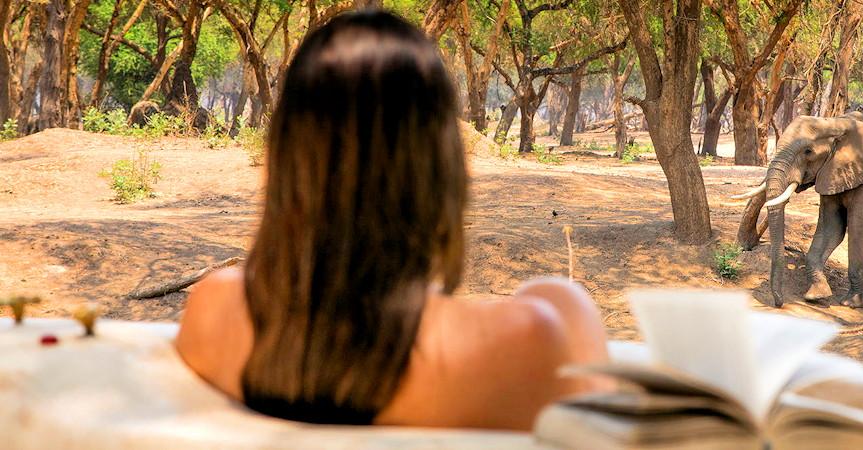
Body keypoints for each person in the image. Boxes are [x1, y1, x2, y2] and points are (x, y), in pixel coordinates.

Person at [174, 10, 610, 430]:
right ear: (441, 168)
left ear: (286, 159)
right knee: (557, 294)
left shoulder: (214, 310)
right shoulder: (523, 342)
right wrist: (569, 306)